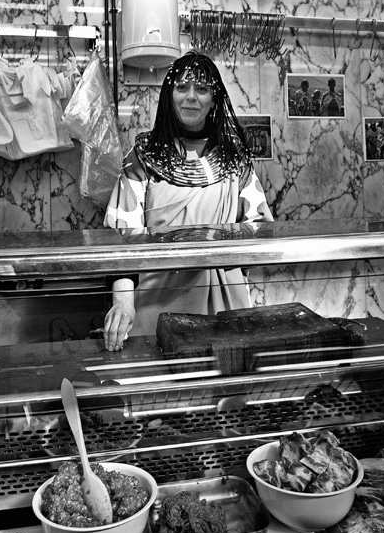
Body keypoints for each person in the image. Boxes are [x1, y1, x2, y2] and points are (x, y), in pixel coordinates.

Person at [103, 51, 274, 351]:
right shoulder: (142, 160)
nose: (191, 97)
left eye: (202, 89)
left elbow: (260, 231)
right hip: (158, 308)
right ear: (169, 95)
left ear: (214, 99)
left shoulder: (234, 162)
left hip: (227, 312)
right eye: (182, 87)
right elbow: (120, 241)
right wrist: (123, 305)